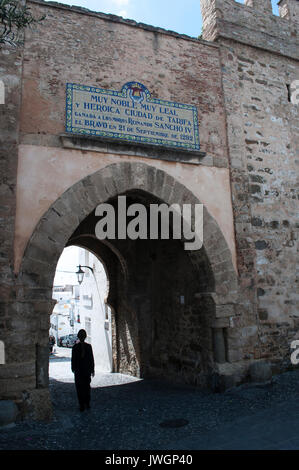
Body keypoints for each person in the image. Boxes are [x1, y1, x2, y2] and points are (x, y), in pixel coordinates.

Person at [71, 329, 95, 412]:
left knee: (79, 388)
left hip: (79, 371)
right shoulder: (88, 346)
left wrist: (73, 368)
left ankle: (81, 404)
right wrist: (92, 369)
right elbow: (91, 359)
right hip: (86, 370)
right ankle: (87, 403)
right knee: (86, 387)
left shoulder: (75, 347)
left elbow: (73, 359)